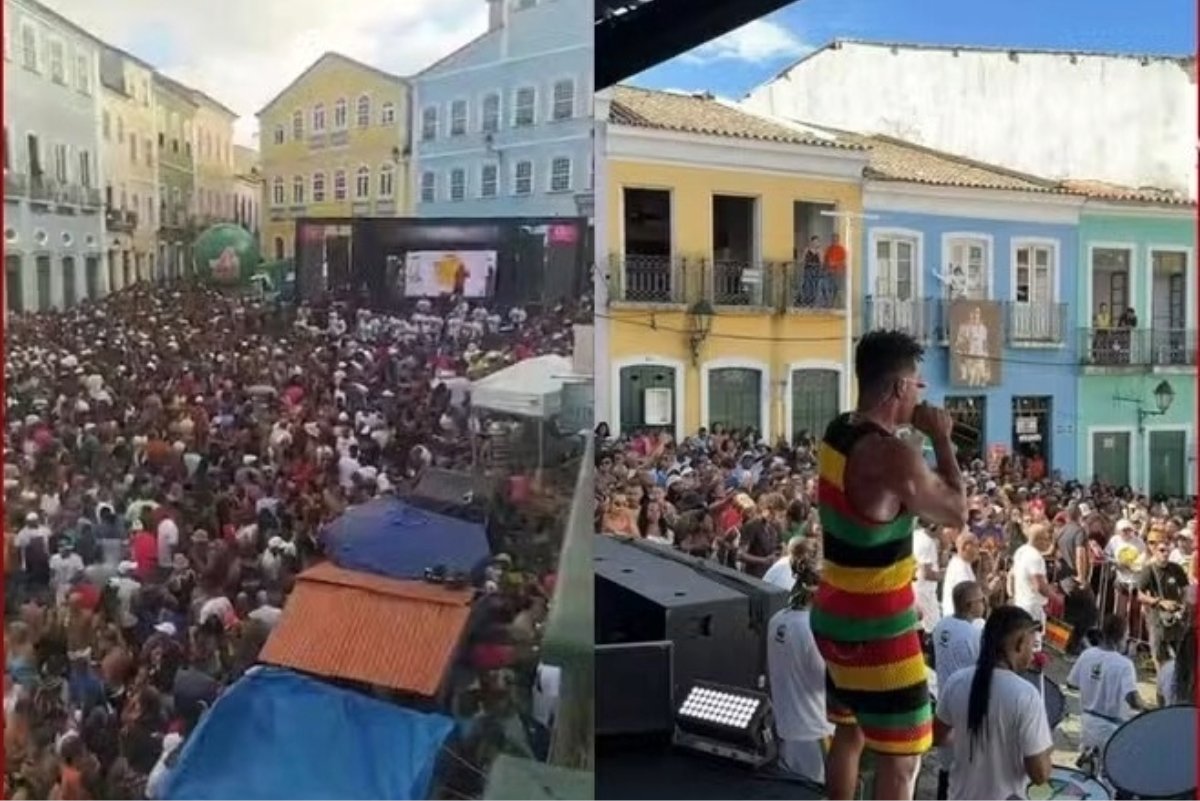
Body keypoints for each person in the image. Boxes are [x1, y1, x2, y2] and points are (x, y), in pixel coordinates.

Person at [810, 330, 967, 800]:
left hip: (833, 614)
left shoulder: (839, 430)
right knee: (902, 760)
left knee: (850, 732)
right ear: (899, 387)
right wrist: (941, 439)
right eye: (917, 383)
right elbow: (956, 512)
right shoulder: (893, 454)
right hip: (878, 629)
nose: (921, 392)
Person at [934, 606, 1053, 800]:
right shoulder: (1026, 695)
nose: (1033, 654)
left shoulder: (956, 682)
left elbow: (936, 736)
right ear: (1019, 643)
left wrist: (969, 737)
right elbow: (1040, 775)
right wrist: (1045, 748)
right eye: (1032, 645)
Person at [766, 548, 832, 782]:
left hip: (784, 727)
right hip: (813, 731)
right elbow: (825, 683)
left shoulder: (777, 619)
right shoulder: (812, 629)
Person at [931, 581, 986, 800]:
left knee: (945, 764)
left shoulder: (941, 625)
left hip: (944, 702)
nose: (984, 603)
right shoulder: (973, 635)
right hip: (965, 706)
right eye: (981, 600)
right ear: (970, 605)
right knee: (964, 766)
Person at [1067, 613, 1143, 760]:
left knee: (1088, 769)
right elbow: (1133, 699)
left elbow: (1071, 683)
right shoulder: (1125, 665)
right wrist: (1148, 709)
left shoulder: (1087, 654)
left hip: (1087, 724)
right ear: (1121, 637)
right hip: (1111, 729)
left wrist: (1093, 685)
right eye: (1126, 636)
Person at [1137, 527, 1190, 671]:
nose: (1165, 553)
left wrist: (1183, 605)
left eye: (1167, 550)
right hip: (1157, 618)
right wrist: (1159, 602)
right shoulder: (1149, 570)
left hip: (1176, 617)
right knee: (1159, 654)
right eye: (1161, 550)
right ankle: (1162, 681)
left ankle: (1181, 680)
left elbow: (1185, 589)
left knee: (1181, 653)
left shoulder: (1176, 569)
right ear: (1154, 551)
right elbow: (1140, 594)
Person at [1009, 522, 1052, 650]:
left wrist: (1012, 594)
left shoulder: (1020, 551)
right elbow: (1038, 585)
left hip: (1021, 602)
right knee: (1033, 644)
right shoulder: (1035, 557)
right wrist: (1055, 597)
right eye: (1046, 539)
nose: (1048, 542)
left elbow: (1012, 575)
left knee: (1021, 641)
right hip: (1033, 606)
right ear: (1038, 539)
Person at [941, 532, 978, 619]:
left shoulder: (964, 564)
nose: (978, 550)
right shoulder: (959, 567)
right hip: (957, 618)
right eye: (975, 546)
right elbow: (967, 596)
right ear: (965, 547)